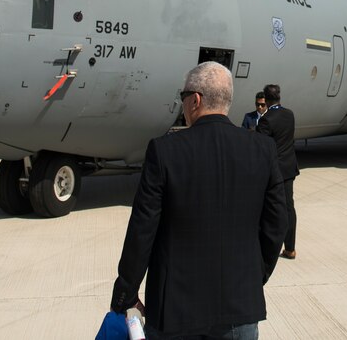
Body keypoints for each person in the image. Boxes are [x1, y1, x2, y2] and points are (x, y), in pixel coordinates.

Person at [110, 62, 288, 339]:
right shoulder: (262, 150)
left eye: (182, 98)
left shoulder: (164, 151)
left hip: (174, 311)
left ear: (195, 100)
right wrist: (255, 277)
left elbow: (142, 229)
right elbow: (277, 224)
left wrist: (126, 292)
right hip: (239, 305)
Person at [256, 84, 299, 260]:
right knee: (289, 207)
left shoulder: (267, 119)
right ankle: (290, 248)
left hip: (273, 170)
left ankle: (266, 245)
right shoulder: (289, 115)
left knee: (267, 208)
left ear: (266, 98)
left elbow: (260, 146)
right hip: (289, 168)